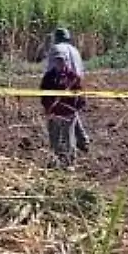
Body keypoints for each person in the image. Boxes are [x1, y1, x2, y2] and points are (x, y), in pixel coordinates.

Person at [40, 27, 89, 166]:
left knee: (62, 125)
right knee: (71, 113)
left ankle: (65, 155)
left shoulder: (56, 49)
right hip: (74, 87)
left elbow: (50, 71)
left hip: (61, 86)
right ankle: (83, 140)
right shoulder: (75, 50)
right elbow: (81, 71)